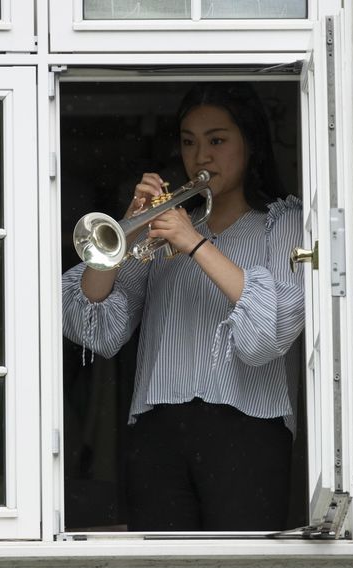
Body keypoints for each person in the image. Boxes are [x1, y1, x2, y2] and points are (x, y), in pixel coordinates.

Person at [61, 82, 305, 532]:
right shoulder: (164, 230)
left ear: (249, 143)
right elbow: (96, 324)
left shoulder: (281, 223)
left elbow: (268, 334)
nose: (201, 156)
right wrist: (129, 228)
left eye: (217, 140)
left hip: (248, 431)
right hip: (157, 433)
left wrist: (194, 242)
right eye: (189, 142)